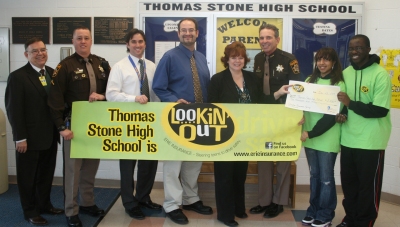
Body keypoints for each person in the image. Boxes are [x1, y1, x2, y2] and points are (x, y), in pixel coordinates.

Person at [152, 17, 212, 225]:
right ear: (178, 34)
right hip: (177, 120)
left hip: (199, 120)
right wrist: (174, 100)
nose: (188, 33)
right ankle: (171, 204)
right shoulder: (169, 57)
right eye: (183, 30)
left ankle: (190, 198)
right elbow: (158, 87)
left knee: (193, 162)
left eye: (191, 30)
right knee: (173, 164)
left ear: (197, 33)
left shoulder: (202, 58)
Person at [48, 27, 110, 227]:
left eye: (86, 38)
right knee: (73, 171)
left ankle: (87, 203)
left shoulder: (102, 64)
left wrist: (104, 96)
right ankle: (71, 210)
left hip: (96, 126)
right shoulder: (64, 66)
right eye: (79, 38)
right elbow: (55, 99)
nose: (83, 41)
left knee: (91, 168)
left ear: (91, 40)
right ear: (73, 41)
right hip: (72, 127)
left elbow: (113, 91)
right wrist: (60, 127)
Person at [4, 38, 63, 226]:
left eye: (43, 50)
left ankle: (44, 204)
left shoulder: (52, 74)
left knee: (46, 174)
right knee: (28, 177)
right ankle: (29, 211)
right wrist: (20, 138)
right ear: (26, 55)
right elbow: (14, 110)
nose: (40, 53)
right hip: (28, 139)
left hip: (50, 136)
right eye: (34, 51)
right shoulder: (18, 77)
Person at [105, 28, 162, 220]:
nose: (138, 45)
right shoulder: (119, 67)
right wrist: (133, 98)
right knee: (128, 166)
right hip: (128, 124)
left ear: (145, 44)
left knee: (149, 164)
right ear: (128, 45)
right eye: (134, 42)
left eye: (141, 42)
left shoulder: (152, 66)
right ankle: (129, 202)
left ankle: (143, 197)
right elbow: (111, 95)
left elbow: (155, 94)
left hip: (149, 124)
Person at [335, 34, 391, 227]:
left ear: (368, 49)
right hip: (348, 139)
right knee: (349, 186)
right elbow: (341, 104)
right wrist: (342, 113)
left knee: (368, 187)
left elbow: (379, 110)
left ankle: (364, 222)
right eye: (351, 48)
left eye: (359, 48)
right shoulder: (346, 73)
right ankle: (350, 218)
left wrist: (350, 104)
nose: (354, 52)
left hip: (371, 141)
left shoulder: (380, 74)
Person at [250, 23, 301, 218]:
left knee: (282, 161)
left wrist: (296, 115)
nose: (264, 41)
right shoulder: (257, 58)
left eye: (268, 37)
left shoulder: (289, 60)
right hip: (263, 116)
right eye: (261, 38)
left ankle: (279, 202)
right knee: (263, 160)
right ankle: (264, 201)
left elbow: (298, 89)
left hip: (284, 117)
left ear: (277, 39)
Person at [299, 48, 345, 227]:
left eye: (326, 59)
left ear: (334, 62)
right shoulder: (309, 81)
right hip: (309, 137)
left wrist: (310, 132)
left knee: (326, 178)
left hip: (326, 138)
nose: (322, 63)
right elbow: (300, 105)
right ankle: (313, 210)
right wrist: (299, 118)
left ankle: (325, 214)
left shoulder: (339, 83)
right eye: (319, 59)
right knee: (314, 176)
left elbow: (331, 116)